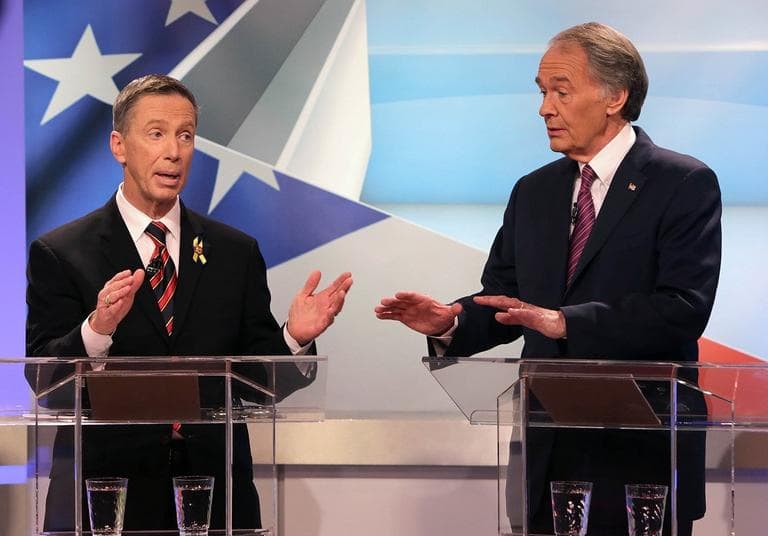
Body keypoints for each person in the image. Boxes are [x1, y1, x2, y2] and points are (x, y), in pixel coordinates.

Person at [376, 22, 720, 536]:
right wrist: (451, 321)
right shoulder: (533, 191)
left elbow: (682, 308)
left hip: (641, 456)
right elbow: (507, 301)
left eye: (561, 90)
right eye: (541, 92)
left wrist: (565, 323)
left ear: (615, 96)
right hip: (548, 456)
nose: (544, 108)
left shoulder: (682, 183)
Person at [26, 74, 353, 532]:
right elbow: (45, 384)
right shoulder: (62, 252)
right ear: (119, 146)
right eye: (156, 134)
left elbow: (256, 382)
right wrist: (96, 330)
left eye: (185, 136)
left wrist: (293, 339)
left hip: (217, 498)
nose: (174, 152)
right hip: (105, 499)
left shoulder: (234, 251)